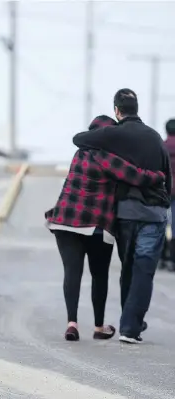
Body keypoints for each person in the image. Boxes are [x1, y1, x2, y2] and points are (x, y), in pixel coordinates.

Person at [46, 115, 165, 341]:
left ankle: (72, 323)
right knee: (99, 274)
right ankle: (99, 327)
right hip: (94, 224)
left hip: (64, 220)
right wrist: (158, 175)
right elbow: (135, 176)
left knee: (72, 272)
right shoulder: (106, 157)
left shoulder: (79, 152)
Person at [73, 89, 172, 344]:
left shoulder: (113, 133)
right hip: (154, 213)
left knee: (128, 267)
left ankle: (132, 322)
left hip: (126, 213)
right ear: (137, 108)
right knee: (144, 269)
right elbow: (167, 177)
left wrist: (102, 143)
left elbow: (78, 139)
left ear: (117, 110)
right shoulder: (154, 137)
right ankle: (131, 327)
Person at [163, 118, 175, 270]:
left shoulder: (162, 146)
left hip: (165, 190)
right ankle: (173, 259)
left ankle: (162, 258)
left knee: (162, 223)